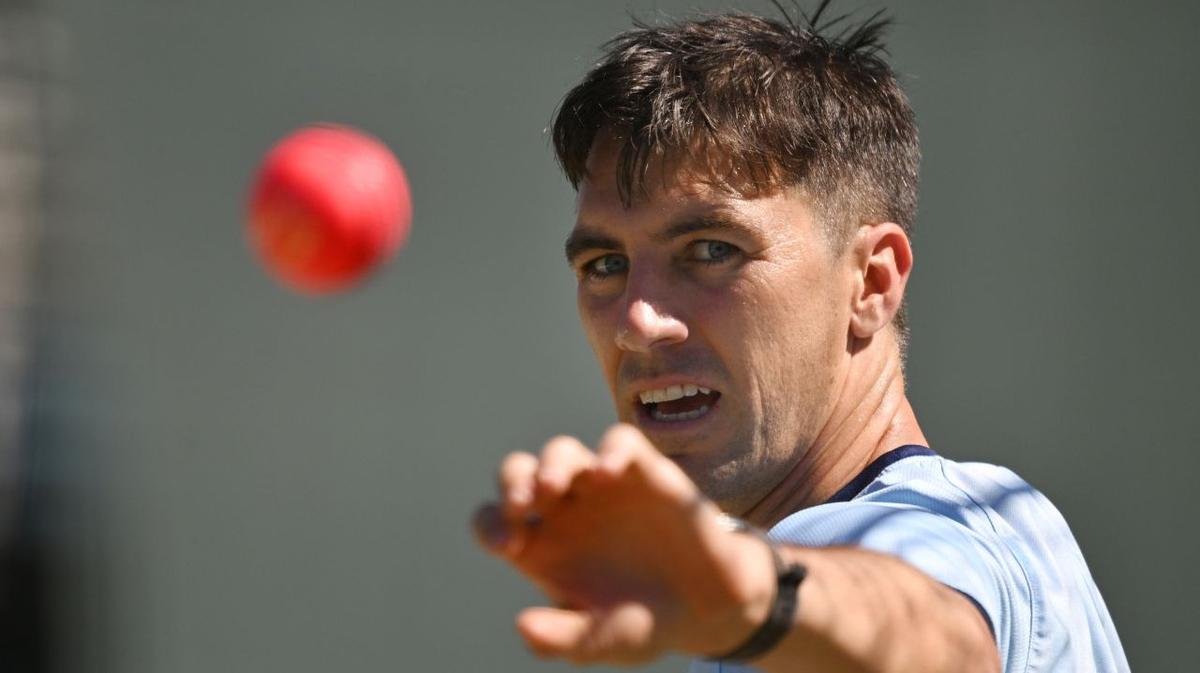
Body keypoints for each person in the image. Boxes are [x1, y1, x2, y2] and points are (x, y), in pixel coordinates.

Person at [472, 5, 1130, 672]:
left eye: (711, 250)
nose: (638, 321)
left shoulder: (932, 530)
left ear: (871, 282)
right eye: (604, 264)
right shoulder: (996, 528)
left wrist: (756, 597)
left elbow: (941, 636)